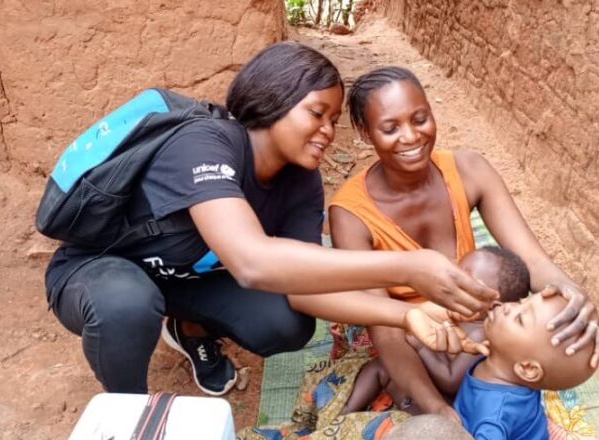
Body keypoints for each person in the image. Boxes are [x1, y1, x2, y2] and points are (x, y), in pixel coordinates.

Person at [43, 44, 498, 397]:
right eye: (317, 113)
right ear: (275, 98)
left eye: (335, 119)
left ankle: (190, 328)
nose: (328, 130)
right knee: (125, 304)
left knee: (286, 322)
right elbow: (252, 261)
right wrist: (408, 266)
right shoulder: (205, 143)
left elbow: (302, 287)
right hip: (98, 269)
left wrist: (408, 314)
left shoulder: (302, 181)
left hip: (183, 278)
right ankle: (129, 413)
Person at [327, 65, 599, 419]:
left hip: (476, 326)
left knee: (527, 363)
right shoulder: (351, 213)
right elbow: (386, 332)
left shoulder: (470, 170)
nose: (411, 137)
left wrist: (574, 296)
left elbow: (532, 262)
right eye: (390, 128)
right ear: (366, 134)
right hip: (407, 331)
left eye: (420, 118)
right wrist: (438, 409)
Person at [341, 245, 531, 414]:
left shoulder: (481, 334)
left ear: (494, 307)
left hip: (446, 403)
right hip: (420, 384)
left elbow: (451, 381)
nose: (452, 280)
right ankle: (346, 411)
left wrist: (419, 347)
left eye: (466, 279)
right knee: (380, 365)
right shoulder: (449, 313)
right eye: (456, 271)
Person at [453, 293, 596, 439]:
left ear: (528, 369)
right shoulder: (501, 360)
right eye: (520, 302)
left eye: (520, 319)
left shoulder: (493, 417)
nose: (508, 306)